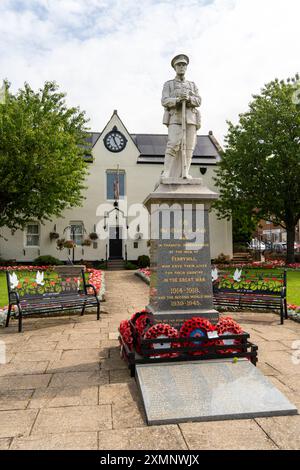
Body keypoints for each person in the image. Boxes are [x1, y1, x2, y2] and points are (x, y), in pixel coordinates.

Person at [161, 54, 201, 179]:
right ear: (175, 67)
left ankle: (185, 172)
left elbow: (199, 100)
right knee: (173, 144)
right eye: (179, 65)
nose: (182, 67)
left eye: (184, 65)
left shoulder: (192, 85)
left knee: (189, 147)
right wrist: (178, 100)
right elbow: (164, 100)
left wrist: (189, 98)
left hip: (190, 120)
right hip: (176, 118)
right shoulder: (169, 84)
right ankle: (167, 172)